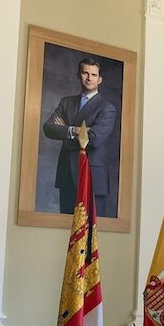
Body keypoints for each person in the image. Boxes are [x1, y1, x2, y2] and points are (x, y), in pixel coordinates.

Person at [42, 58, 117, 217]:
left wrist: (64, 130)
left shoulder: (107, 108)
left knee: (90, 231)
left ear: (100, 79)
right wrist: (76, 130)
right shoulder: (66, 102)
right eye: (85, 73)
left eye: (94, 75)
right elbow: (48, 128)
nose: (89, 78)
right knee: (65, 228)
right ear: (78, 75)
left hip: (92, 177)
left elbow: (94, 139)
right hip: (67, 176)